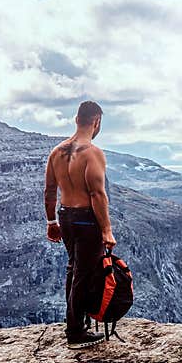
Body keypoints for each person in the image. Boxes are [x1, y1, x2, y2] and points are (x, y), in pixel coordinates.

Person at [43, 100, 117, 348]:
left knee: (74, 269)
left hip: (65, 216)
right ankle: (76, 331)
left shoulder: (56, 152)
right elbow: (97, 193)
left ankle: (75, 323)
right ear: (97, 122)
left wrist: (51, 221)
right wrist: (106, 229)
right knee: (83, 273)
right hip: (86, 219)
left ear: (76, 119)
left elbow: (49, 190)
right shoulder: (92, 153)